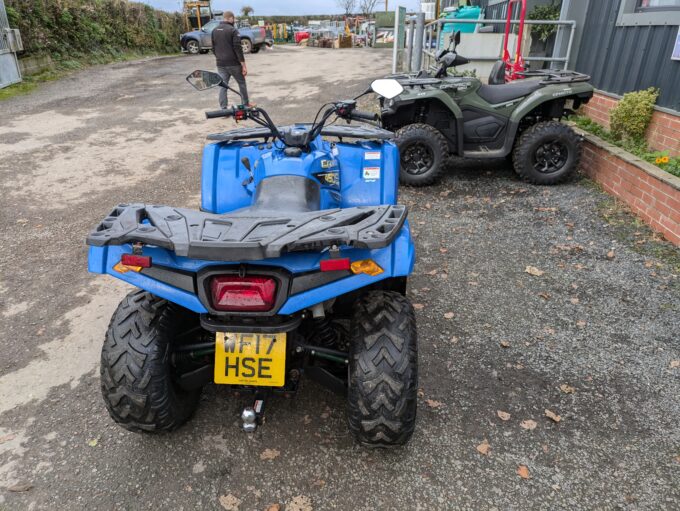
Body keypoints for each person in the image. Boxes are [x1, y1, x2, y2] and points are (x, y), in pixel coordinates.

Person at [211, 11, 250, 109]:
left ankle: (223, 109)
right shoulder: (233, 30)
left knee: (223, 86)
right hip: (234, 64)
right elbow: (238, 48)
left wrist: (219, 57)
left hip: (220, 64)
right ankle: (245, 105)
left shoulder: (214, 30)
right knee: (241, 83)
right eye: (233, 19)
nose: (234, 21)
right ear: (230, 18)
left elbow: (213, 48)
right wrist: (243, 65)